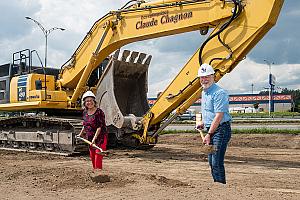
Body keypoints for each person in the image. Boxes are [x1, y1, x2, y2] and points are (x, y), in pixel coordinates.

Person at [197, 63, 232, 184]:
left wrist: (209, 133)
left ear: (213, 76)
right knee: (211, 162)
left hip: (220, 131)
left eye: (207, 76)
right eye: (202, 77)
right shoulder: (204, 92)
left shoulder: (219, 93)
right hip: (211, 130)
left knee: (216, 161)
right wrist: (203, 122)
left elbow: (219, 116)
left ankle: (221, 187)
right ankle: (216, 187)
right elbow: (208, 111)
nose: (204, 79)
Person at [78, 91, 108, 172]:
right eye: (87, 101)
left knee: (98, 156)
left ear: (94, 102)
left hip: (100, 138)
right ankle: (96, 173)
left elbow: (99, 127)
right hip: (90, 138)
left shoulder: (99, 112)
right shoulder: (85, 112)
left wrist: (94, 140)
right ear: (84, 103)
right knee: (92, 156)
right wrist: (80, 134)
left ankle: (99, 174)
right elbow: (85, 124)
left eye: (91, 100)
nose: (89, 102)